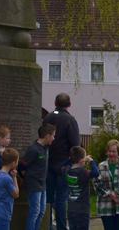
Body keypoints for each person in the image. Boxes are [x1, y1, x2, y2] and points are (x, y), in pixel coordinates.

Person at [43, 92, 80, 230]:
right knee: (61, 199)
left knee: (48, 198)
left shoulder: (47, 117)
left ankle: (46, 226)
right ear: (69, 104)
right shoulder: (70, 120)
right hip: (64, 164)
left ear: (55, 103)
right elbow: (75, 144)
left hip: (48, 163)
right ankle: (61, 227)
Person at [20, 123, 55, 230]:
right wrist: (25, 176)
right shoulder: (33, 149)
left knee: (42, 211)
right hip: (33, 184)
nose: (54, 138)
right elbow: (22, 165)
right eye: (53, 135)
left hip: (43, 184)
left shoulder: (46, 148)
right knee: (35, 211)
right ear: (47, 136)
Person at [97, 139, 119, 230]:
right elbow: (97, 184)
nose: (111, 154)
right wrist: (110, 194)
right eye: (109, 151)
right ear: (106, 152)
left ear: (118, 152)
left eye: (114, 151)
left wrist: (118, 194)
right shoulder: (101, 166)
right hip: (106, 206)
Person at [64, 146, 99, 230]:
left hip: (71, 209)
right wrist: (91, 161)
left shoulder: (67, 170)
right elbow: (96, 172)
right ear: (82, 160)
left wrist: (77, 158)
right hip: (82, 210)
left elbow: (66, 163)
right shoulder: (83, 172)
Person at [0, 147, 20, 230]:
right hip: (4, 213)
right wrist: (14, 177)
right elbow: (16, 194)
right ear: (13, 163)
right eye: (17, 161)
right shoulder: (7, 179)